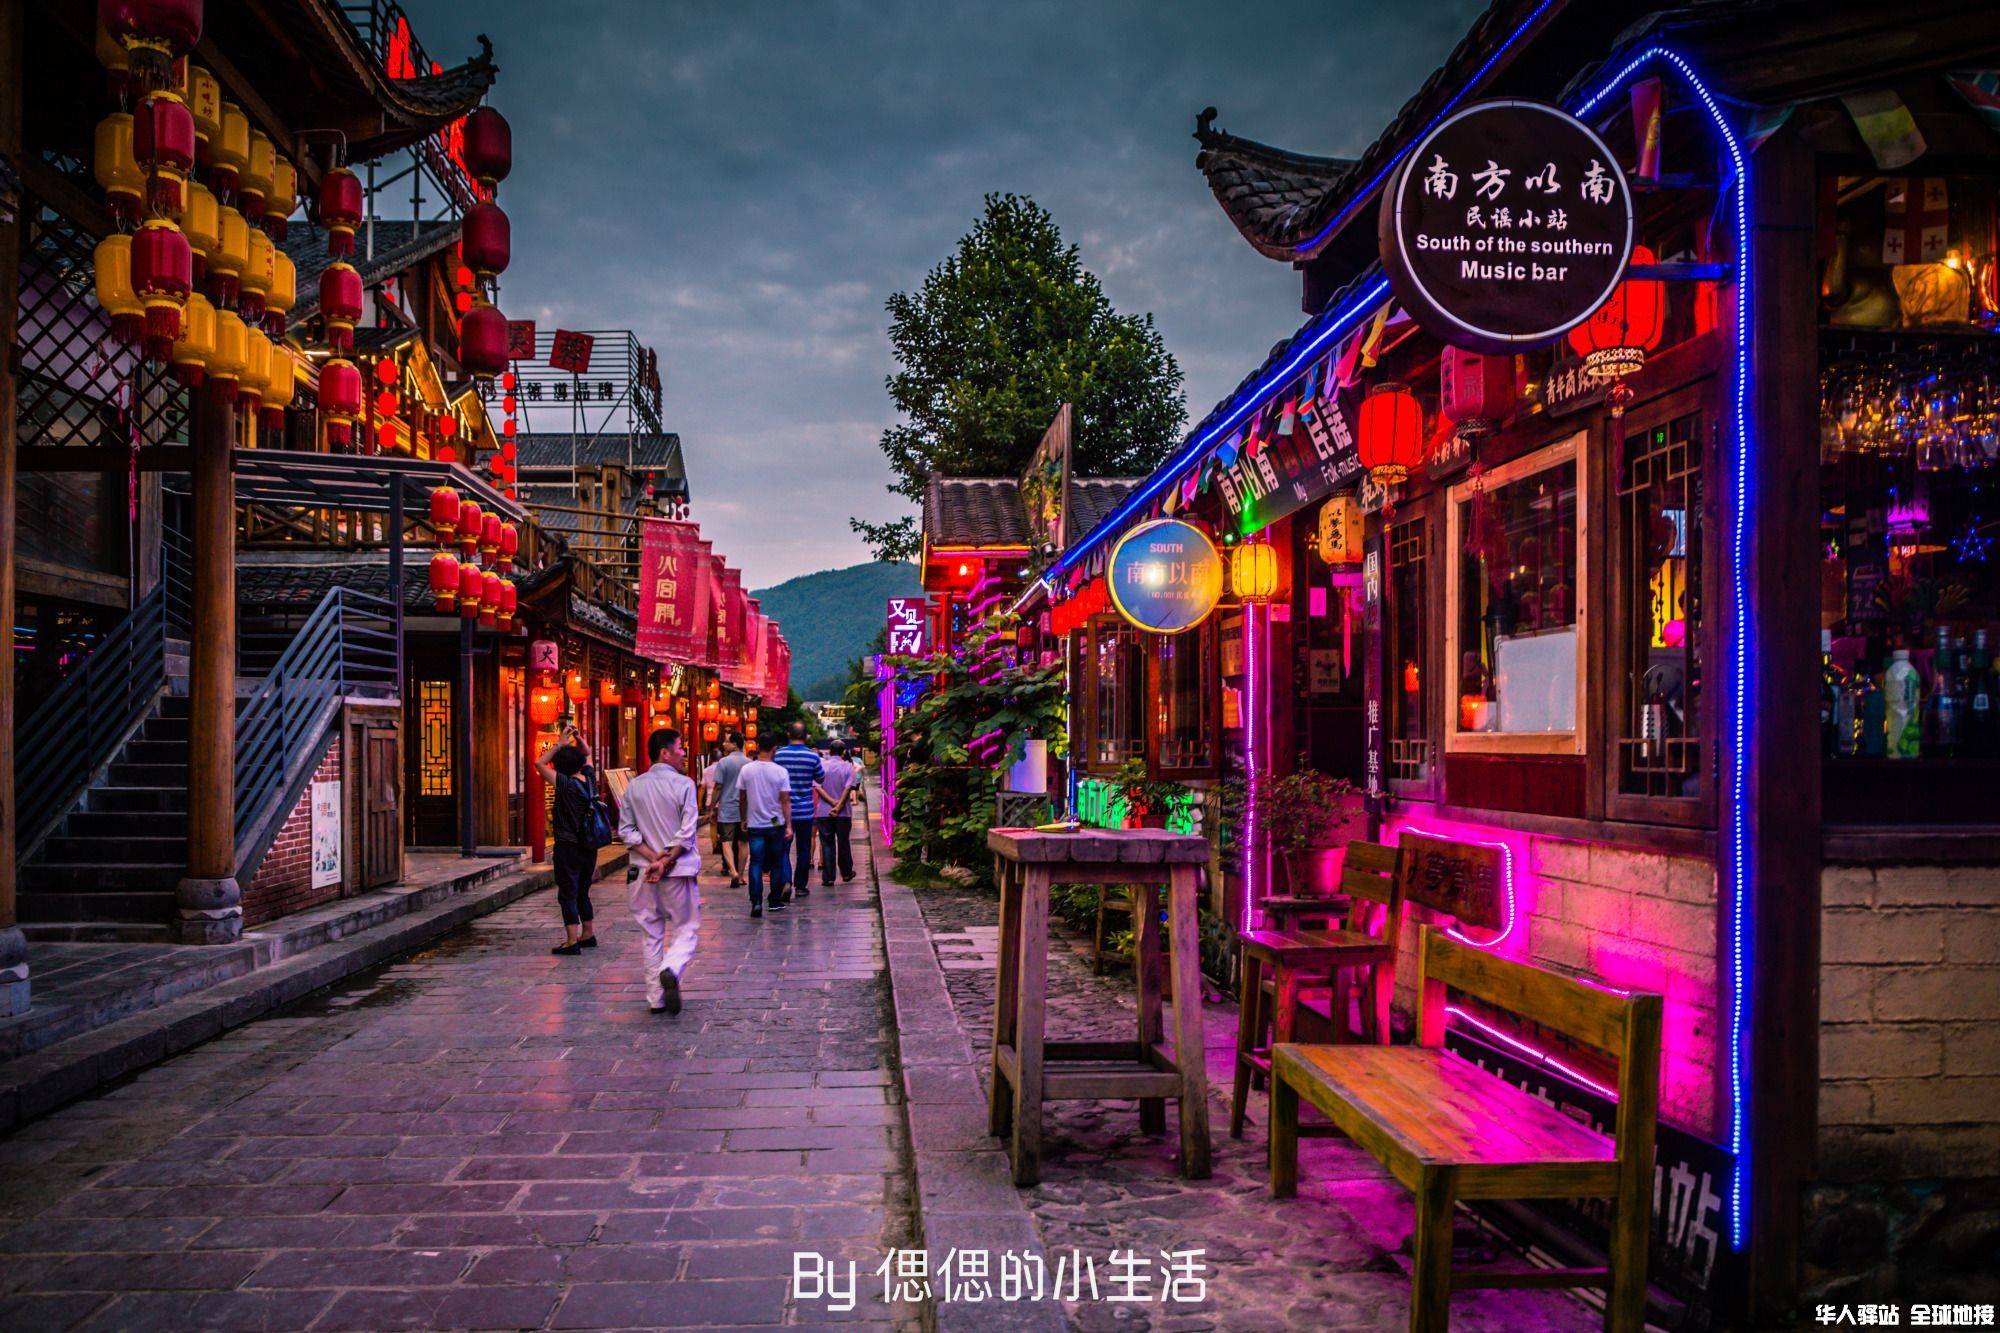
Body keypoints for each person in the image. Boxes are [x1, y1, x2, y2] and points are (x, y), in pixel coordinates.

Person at [618, 727, 703, 1015]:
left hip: (642, 871)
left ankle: (656, 998)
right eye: (680, 748)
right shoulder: (684, 785)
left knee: (651, 932)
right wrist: (665, 861)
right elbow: (687, 831)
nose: (683, 753)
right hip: (677, 871)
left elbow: (626, 831)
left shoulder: (634, 786)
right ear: (664, 753)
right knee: (686, 927)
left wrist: (653, 858)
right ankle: (671, 967)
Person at [535, 727, 599, 957]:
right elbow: (588, 755)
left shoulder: (565, 783)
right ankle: (588, 933)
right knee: (583, 890)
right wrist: (579, 740)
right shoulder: (590, 779)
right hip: (589, 845)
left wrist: (559, 744)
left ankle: (572, 940)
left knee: (568, 892)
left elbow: (539, 763)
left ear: (560, 766)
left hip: (568, 844)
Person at [737, 736, 793, 917]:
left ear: (758, 746)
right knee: (776, 862)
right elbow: (785, 800)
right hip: (776, 823)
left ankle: (756, 902)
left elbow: (742, 797)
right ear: (774, 749)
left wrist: (743, 818)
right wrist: (789, 825)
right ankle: (774, 900)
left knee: (756, 862)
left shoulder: (746, 770)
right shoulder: (781, 772)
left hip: (754, 823)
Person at [771, 723, 824, 897]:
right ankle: (800, 886)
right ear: (806, 736)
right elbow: (821, 778)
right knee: (804, 849)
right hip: (805, 811)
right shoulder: (812, 756)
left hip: (781, 811)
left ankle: (785, 881)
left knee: (782, 848)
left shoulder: (778, 755)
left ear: (788, 734)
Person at [702, 732, 749, 887]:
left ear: (734, 744)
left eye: (727, 741)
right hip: (744, 810)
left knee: (726, 841)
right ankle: (740, 875)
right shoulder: (749, 763)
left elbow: (718, 787)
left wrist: (711, 808)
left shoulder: (724, 762)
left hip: (727, 808)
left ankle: (733, 871)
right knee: (743, 842)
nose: (724, 744)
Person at [813, 740, 860, 886]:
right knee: (843, 841)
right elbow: (848, 787)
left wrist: (831, 802)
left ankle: (828, 877)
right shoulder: (848, 766)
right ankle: (846, 873)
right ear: (844, 752)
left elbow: (817, 787)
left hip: (824, 812)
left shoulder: (822, 766)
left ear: (830, 751)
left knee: (827, 844)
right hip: (843, 813)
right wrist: (839, 805)